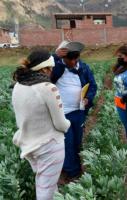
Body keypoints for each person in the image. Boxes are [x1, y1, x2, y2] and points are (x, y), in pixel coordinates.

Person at [12, 49, 70, 200]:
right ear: (44, 68)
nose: (51, 72)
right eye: (50, 68)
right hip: (49, 146)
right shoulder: (48, 88)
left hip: (29, 145)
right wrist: (69, 122)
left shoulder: (18, 85)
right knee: (45, 191)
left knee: (48, 185)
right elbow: (61, 124)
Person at [51, 41, 97, 180]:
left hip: (79, 111)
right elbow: (39, 70)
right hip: (62, 113)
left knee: (77, 141)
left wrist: (88, 98)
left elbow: (92, 86)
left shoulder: (83, 68)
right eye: (69, 59)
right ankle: (72, 172)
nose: (73, 62)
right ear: (64, 59)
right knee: (68, 142)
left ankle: (73, 166)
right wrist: (55, 56)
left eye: (75, 59)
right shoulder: (57, 68)